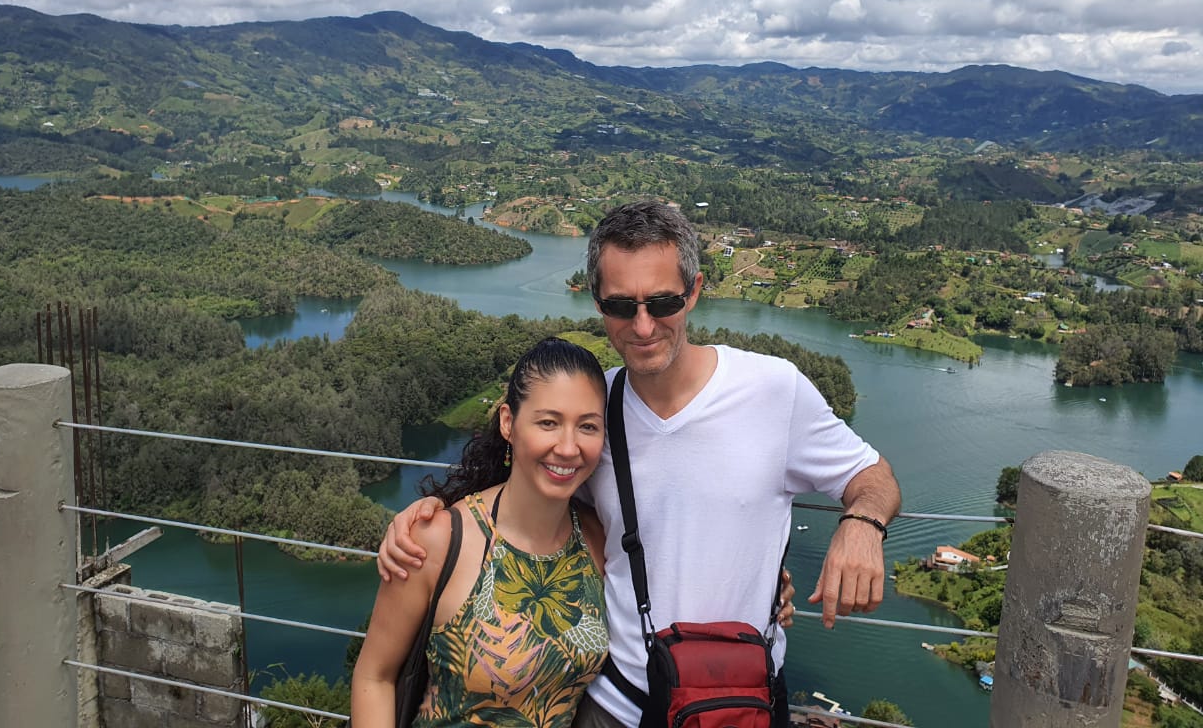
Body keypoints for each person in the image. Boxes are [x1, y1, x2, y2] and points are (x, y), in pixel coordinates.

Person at [380, 202, 901, 728]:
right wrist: (432, 515)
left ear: (694, 291)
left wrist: (861, 524)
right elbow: (525, 490)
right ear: (598, 303)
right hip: (616, 703)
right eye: (621, 306)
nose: (644, 325)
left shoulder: (773, 390)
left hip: (740, 700)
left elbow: (871, 476)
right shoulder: (593, 411)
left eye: (663, 301)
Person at [352, 336, 610, 728]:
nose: (568, 447)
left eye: (587, 426)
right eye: (548, 423)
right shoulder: (437, 540)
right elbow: (375, 677)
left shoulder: (595, 540)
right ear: (508, 422)